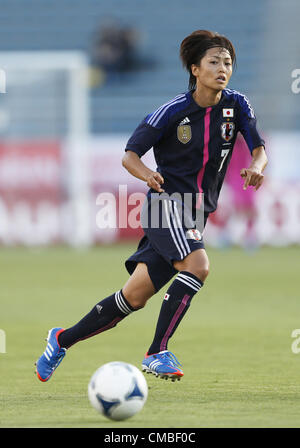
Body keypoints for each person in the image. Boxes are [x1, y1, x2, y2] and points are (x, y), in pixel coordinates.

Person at [35, 30, 267, 383]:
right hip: (166, 205)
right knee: (199, 265)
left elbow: (258, 148)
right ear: (194, 69)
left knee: (134, 297)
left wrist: (257, 167)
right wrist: (148, 175)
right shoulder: (172, 112)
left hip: (196, 211)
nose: (223, 69)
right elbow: (130, 155)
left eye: (228, 63)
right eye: (214, 62)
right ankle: (157, 351)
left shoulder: (238, 105)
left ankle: (61, 339)